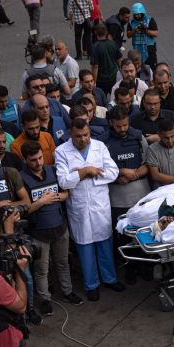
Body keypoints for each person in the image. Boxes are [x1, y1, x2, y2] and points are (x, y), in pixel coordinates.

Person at [55, 119, 120, 300]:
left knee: (105, 243)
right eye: (78, 136)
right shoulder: (61, 151)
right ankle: (91, 284)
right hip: (79, 207)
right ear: (71, 134)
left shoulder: (100, 147)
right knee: (85, 247)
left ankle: (110, 279)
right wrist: (85, 172)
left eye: (86, 135)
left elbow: (113, 172)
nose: (83, 139)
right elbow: (63, 181)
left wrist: (87, 173)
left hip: (100, 205)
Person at [127, 2, 158, 69]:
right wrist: (135, 31)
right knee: (137, 70)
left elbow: (155, 33)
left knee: (152, 70)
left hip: (149, 49)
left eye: (139, 14)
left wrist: (146, 30)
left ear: (142, 12)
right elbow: (128, 35)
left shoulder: (150, 20)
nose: (137, 16)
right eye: (136, 15)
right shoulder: (131, 22)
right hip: (137, 50)